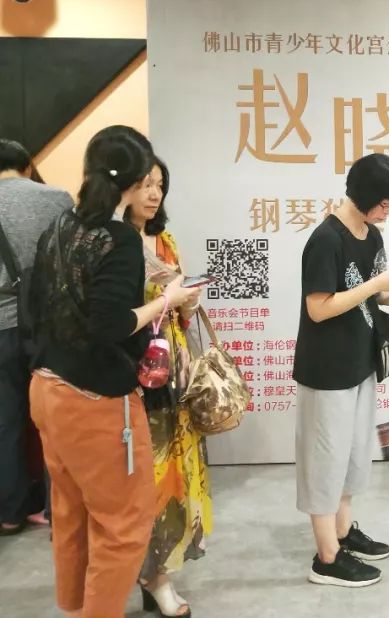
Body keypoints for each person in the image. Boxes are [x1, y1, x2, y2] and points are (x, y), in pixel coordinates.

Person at [28, 126, 200, 617]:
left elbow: (40, 303)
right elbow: (110, 326)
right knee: (124, 525)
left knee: (72, 512)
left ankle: (77, 607)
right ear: (134, 178)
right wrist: (166, 300)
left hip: (47, 388)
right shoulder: (118, 238)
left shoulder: (62, 225)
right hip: (95, 401)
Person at [293, 153, 389, 588]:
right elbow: (319, 309)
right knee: (325, 460)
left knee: (352, 454)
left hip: (360, 362)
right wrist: (375, 284)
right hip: (327, 368)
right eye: (387, 203)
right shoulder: (326, 240)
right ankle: (326, 558)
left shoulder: (370, 234)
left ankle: (342, 532)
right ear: (366, 195)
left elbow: (370, 299)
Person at [125, 157, 210, 617]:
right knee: (144, 477)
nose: (154, 193)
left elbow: (182, 313)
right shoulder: (115, 243)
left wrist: (187, 300)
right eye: (145, 184)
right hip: (134, 375)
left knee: (174, 470)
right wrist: (165, 297)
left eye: (159, 184)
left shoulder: (165, 241)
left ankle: (156, 571)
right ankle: (151, 574)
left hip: (172, 370)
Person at [0, 139, 72, 536]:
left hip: (1, 325)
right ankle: (57, 510)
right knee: (55, 421)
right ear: (27, 166)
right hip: (49, 326)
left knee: (5, 422)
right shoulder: (57, 199)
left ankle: (10, 513)